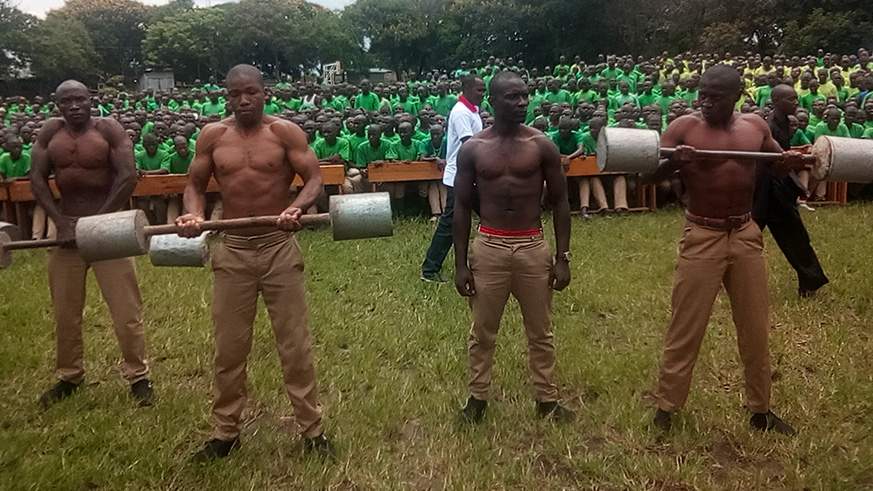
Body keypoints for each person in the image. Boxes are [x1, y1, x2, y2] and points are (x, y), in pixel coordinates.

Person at [176, 65, 333, 461]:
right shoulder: (212, 136)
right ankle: (226, 432)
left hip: (278, 247)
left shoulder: (285, 132)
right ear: (226, 96)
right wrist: (193, 214)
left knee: (295, 346)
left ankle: (312, 430)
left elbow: (315, 180)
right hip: (233, 251)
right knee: (229, 348)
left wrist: (297, 208)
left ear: (266, 93)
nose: (243, 100)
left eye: (250, 92)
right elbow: (194, 186)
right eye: (235, 94)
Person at [648, 65, 802, 436]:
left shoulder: (755, 127)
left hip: (745, 233)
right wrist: (674, 162)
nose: (706, 102)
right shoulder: (683, 128)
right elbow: (646, 176)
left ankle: (761, 411)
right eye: (702, 94)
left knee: (755, 327)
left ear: (737, 95)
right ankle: (666, 408)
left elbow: (776, 167)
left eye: (715, 96)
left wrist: (789, 163)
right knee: (686, 326)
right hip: (702, 233)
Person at [453, 71, 574, 423]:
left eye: (525, 95)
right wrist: (460, 264)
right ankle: (477, 399)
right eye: (512, 97)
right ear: (492, 101)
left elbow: (561, 201)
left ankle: (547, 399)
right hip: (489, 246)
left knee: (540, 331)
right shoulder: (474, 148)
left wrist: (563, 257)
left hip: (532, 245)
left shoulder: (541, 145)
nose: (522, 102)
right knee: (482, 331)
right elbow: (461, 206)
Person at [30, 80, 153, 409]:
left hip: (107, 229)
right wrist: (60, 222)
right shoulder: (50, 133)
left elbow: (128, 175)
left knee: (126, 311)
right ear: (57, 105)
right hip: (66, 232)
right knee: (65, 312)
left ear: (90, 100)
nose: (74, 106)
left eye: (80, 99)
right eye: (66, 101)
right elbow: (36, 178)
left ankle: (139, 376)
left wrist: (97, 222)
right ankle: (69, 376)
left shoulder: (108, 130)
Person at [755, 85, 828, 297]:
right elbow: (771, 161)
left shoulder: (785, 122)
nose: (796, 102)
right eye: (790, 99)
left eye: (796, 98)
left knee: (794, 237)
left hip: (777, 187)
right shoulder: (770, 127)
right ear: (776, 101)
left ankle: (810, 281)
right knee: (789, 236)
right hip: (768, 189)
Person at [420, 75, 485, 283]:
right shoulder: (461, 112)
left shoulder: (472, 110)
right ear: (466, 88)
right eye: (479, 90)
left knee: (490, 216)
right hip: (460, 176)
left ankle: (492, 260)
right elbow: (470, 143)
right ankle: (430, 270)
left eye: (484, 90)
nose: (482, 94)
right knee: (450, 223)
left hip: (470, 175)